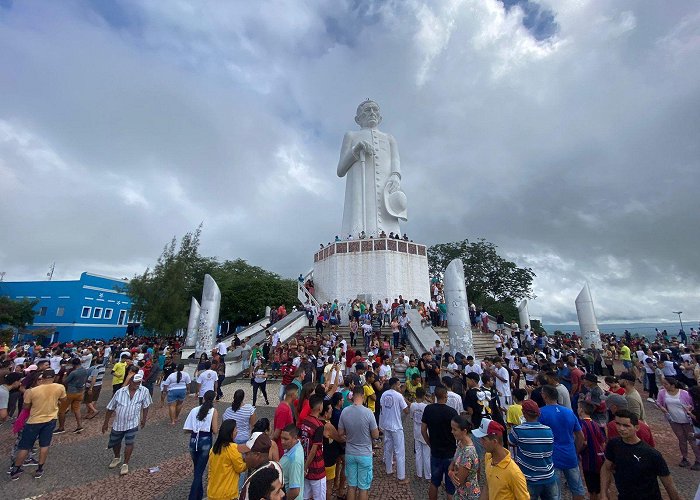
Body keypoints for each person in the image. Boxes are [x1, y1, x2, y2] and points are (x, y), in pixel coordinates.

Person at [336, 99, 406, 240]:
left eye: (375, 109)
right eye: (367, 110)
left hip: (386, 186)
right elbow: (340, 170)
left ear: (380, 117)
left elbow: (395, 160)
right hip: (360, 188)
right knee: (359, 219)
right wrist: (356, 150)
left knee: (388, 214)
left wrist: (395, 175)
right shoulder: (351, 136)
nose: (372, 113)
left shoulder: (389, 138)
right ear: (358, 118)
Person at [600, 409, 682, 500]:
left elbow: (669, 485)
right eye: (618, 424)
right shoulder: (613, 444)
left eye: (626, 425)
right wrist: (603, 493)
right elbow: (606, 467)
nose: (621, 428)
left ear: (637, 428)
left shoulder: (652, 454)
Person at [9, 369, 66, 481]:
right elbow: (63, 400)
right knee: (44, 445)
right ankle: (39, 469)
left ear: (43, 378)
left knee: (24, 446)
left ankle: (16, 469)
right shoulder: (60, 387)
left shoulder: (32, 391)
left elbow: (25, 407)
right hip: (50, 419)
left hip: (34, 420)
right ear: (53, 378)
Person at [538, 385, 585, 500]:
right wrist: (575, 451)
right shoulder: (569, 412)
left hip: (552, 457)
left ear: (544, 396)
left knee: (555, 494)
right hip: (570, 455)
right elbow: (580, 436)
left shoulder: (541, 413)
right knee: (577, 489)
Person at [102, 372, 152, 476]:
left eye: (140, 382)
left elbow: (146, 405)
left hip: (132, 423)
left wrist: (144, 419)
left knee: (129, 443)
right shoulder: (120, 392)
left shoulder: (144, 391)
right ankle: (117, 457)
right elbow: (110, 408)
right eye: (136, 382)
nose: (138, 384)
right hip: (118, 423)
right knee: (115, 442)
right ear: (130, 382)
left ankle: (125, 463)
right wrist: (105, 423)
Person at [508, 400, 558, 500]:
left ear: (524, 413)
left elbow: (510, 442)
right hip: (549, 476)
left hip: (529, 479)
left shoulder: (518, 430)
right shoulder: (548, 430)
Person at [338, 386, 379, 500]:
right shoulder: (368, 412)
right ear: (363, 395)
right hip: (364, 453)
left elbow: (340, 432)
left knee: (351, 486)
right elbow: (375, 435)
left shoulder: (345, 411)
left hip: (350, 452)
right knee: (363, 488)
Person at [473, 418, 529, 500]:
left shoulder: (514, 473)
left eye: (483, 439)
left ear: (494, 442)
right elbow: (488, 485)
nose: (480, 442)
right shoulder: (488, 457)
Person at [421, 386, 458, 500]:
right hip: (450, 452)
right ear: (445, 395)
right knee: (450, 487)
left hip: (435, 452)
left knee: (434, 483)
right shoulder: (452, 412)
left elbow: (423, 430)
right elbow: (458, 432)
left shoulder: (428, 409)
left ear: (435, 396)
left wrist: (430, 443)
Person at [656, 377, 700, 469]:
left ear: (673, 385)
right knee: (681, 439)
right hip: (674, 420)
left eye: (666, 384)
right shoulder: (662, 393)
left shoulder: (684, 393)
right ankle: (685, 458)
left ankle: (698, 459)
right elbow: (659, 402)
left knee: (692, 440)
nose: (664, 386)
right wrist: (663, 409)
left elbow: (692, 404)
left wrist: (689, 410)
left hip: (687, 420)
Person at [183, 390, 220, 500]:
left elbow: (187, 429)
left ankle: (199, 494)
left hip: (193, 440)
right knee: (199, 472)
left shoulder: (194, 410)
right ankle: (193, 497)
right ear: (213, 399)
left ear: (203, 398)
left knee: (197, 469)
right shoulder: (213, 411)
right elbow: (214, 430)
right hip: (205, 440)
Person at [379, 377, 409, 484]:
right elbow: (406, 410)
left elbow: (382, 407)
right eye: (398, 385)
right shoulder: (399, 396)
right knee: (400, 451)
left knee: (388, 448)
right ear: (395, 385)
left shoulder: (384, 394)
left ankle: (388, 470)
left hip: (386, 424)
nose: (399, 386)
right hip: (396, 426)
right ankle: (401, 477)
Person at [207, 419, 247, 500]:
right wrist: (247, 461)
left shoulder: (214, 449)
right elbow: (240, 468)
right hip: (227, 493)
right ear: (230, 433)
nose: (237, 431)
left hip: (213, 492)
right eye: (235, 429)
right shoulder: (233, 448)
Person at [577, 401, 606, 500]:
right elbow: (602, 442)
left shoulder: (581, 424)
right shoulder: (595, 424)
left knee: (592, 489)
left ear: (581, 410)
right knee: (599, 488)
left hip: (589, 460)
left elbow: (583, 442)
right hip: (600, 458)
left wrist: (577, 451)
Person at [299, 394, 326, 499]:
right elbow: (314, 450)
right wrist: (305, 467)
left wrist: (305, 466)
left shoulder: (305, 420)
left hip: (306, 465)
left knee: (305, 496)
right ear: (319, 407)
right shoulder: (319, 426)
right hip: (316, 468)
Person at [448, 414, 480, 500]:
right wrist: (451, 470)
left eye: (455, 429)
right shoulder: (460, 443)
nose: (452, 432)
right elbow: (453, 462)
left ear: (464, 431)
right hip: (461, 493)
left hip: (467, 495)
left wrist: (450, 473)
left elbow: (458, 481)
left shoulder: (468, 453)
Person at [55, 357, 87, 434]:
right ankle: (79, 426)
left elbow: (64, 381)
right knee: (77, 409)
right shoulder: (84, 370)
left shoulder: (73, 373)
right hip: (80, 391)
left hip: (71, 392)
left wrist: (65, 374)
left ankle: (61, 427)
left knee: (62, 410)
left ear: (73, 364)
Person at [410, 386, 431, 481]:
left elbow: (411, 417)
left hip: (416, 431)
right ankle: (428, 475)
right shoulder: (426, 407)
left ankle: (419, 474)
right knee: (426, 454)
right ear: (424, 396)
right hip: (425, 432)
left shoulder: (413, 406)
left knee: (418, 454)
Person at [279, 424, 305, 500]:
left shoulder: (294, 460)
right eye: (281, 438)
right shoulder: (297, 445)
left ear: (295, 438)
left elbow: (295, 491)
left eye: (286, 439)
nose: (282, 442)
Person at [273, 384, 298, 456]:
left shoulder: (285, 406)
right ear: (292, 395)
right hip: (282, 448)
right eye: (297, 393)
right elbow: (277, 433)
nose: (297, 395)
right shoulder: (284, 409)